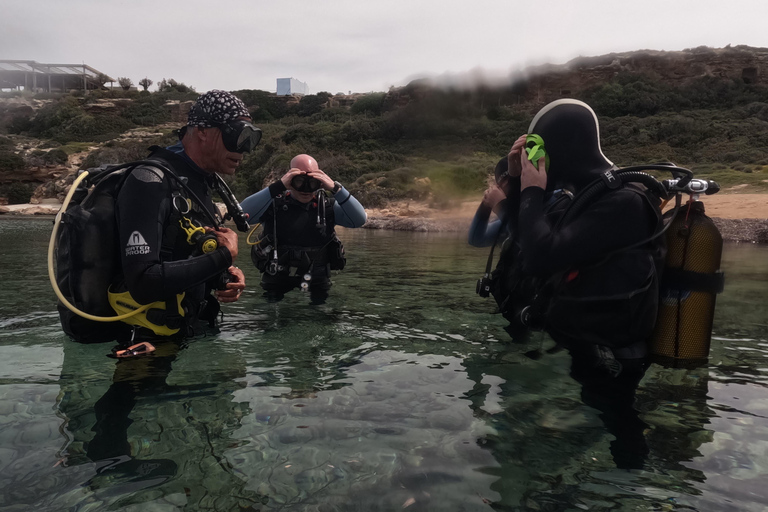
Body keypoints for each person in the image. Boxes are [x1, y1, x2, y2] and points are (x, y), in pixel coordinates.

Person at [485, 99, 664, 469]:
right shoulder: (586, 196)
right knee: (600, 412)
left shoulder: (623, 202)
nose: (538, 160)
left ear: (561, 149)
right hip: (585, 343)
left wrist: (533, 190)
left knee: (620, 425)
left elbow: (541, 256)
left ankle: (630, 485)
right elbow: (526, 242)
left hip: (613, 355)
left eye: (540, 150)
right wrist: (518, 181)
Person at [112, 89, 260, 343]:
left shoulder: (200, 182)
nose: (244, 149)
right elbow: (142, 283)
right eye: (236, 135)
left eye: (250, 138)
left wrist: (223, 275)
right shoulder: (149, 181)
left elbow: (182, 254)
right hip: (144, 342)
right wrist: (222, 257)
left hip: (186, 329)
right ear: (202, 131)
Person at [240, 154, 366, 303]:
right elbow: (242, 216)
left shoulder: (327, 207)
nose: (306, 188)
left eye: (312, 182)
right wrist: (277, 187)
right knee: (272, 312)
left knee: (320, 314)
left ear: (320, 181)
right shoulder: (273, 204)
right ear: (289, 179)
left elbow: (359, 220)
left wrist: (336, 189)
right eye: (299, 181)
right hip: (277, 275)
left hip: (317, 277)